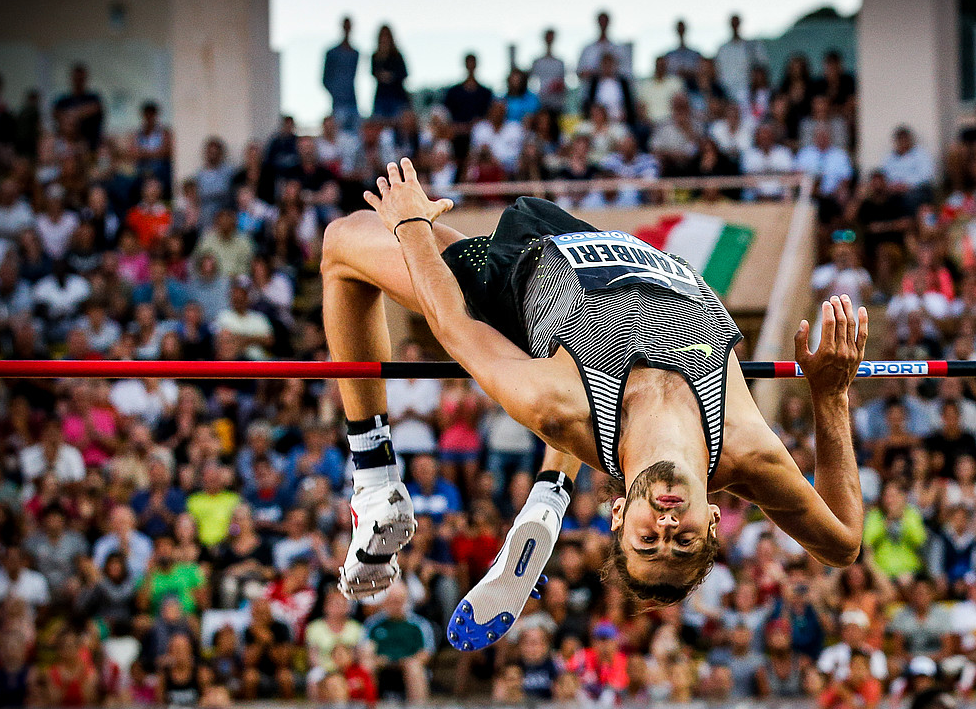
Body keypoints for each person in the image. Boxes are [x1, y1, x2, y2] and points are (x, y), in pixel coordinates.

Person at [322, 159, 869, 659]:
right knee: (615, 422)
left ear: (616, 517)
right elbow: (843, 543)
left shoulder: (556, 406)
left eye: (648, 538)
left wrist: (410, 225)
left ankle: (375, 487)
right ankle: (549, 494)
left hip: (515, 285)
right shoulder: (750, 452)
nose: (668, 521)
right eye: (682, 538)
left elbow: (454, 327)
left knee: (341, 245)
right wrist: (831, 395)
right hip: (583, 242)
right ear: (713, 521)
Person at [323, 17, 360, 133]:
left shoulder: (355, 53)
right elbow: (325, 79)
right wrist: (336, 93)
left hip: (352, 101)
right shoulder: (332, 53)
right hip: (339, 103)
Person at [371, 25, 410, 121]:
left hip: (397, 97)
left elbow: (404, 74)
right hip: (381, 97)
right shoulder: (376, 56)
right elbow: (373, 73)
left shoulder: (397, 56)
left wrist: (391, 76)